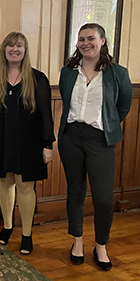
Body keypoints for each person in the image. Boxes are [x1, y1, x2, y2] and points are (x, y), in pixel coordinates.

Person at [58, 23, 132, 271]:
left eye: (90, 38)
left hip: (100, 140)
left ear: (102, 41)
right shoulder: (68, 71)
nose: (85, 43)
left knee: (103, 199)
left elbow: (123, 107)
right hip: (70, 137)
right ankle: (76, 242)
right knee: (75, 192)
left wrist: (106, 125)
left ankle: (101, 245)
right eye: (81, 39)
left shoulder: (118, 73)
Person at [0, 32, 55, 255]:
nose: (15, 49)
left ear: (25, 50)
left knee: (25, 186)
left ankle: (26, 234)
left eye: (19, 46)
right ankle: (7, 227)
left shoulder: (37, 78)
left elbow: (45, 114)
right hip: (1, 140)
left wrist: (48, 144)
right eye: (10, 46)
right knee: (5, 183)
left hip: (30, 142)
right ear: (4, 49)